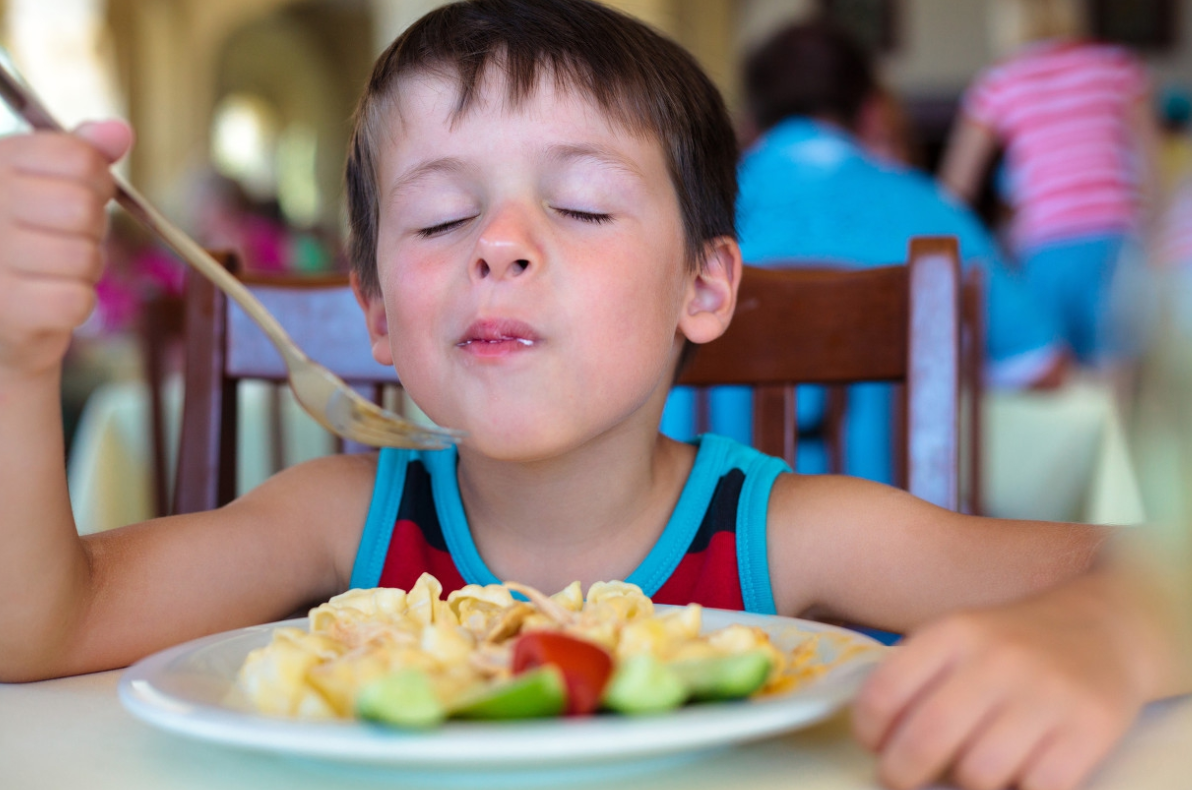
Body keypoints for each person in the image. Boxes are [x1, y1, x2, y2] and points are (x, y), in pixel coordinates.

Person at [0, 3, 1187, 790]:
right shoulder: (334, 519)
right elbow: (42, 628)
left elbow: (1152, 571)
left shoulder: (787, 536)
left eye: (578, 204)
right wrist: (14, 363)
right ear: (372, 313)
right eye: (439, 216)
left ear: (705, 284)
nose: (501, 246)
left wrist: (1110, 629)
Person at [665, 19, 1066, 485]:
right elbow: (1044, 368)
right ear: (872, 114)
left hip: (713, 540)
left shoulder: (687, 214)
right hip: (898, 539)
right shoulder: (932, 211)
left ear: (750, 122)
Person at [939, 0, 1157, 365]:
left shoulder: (1000, 82)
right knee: (1123, 381)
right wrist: (1153, 242)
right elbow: (1152, 170)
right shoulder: (1118, 66)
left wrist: (988, 256)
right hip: (1118, 245)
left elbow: (953, 192)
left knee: (1058, 380)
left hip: (1045, 247)